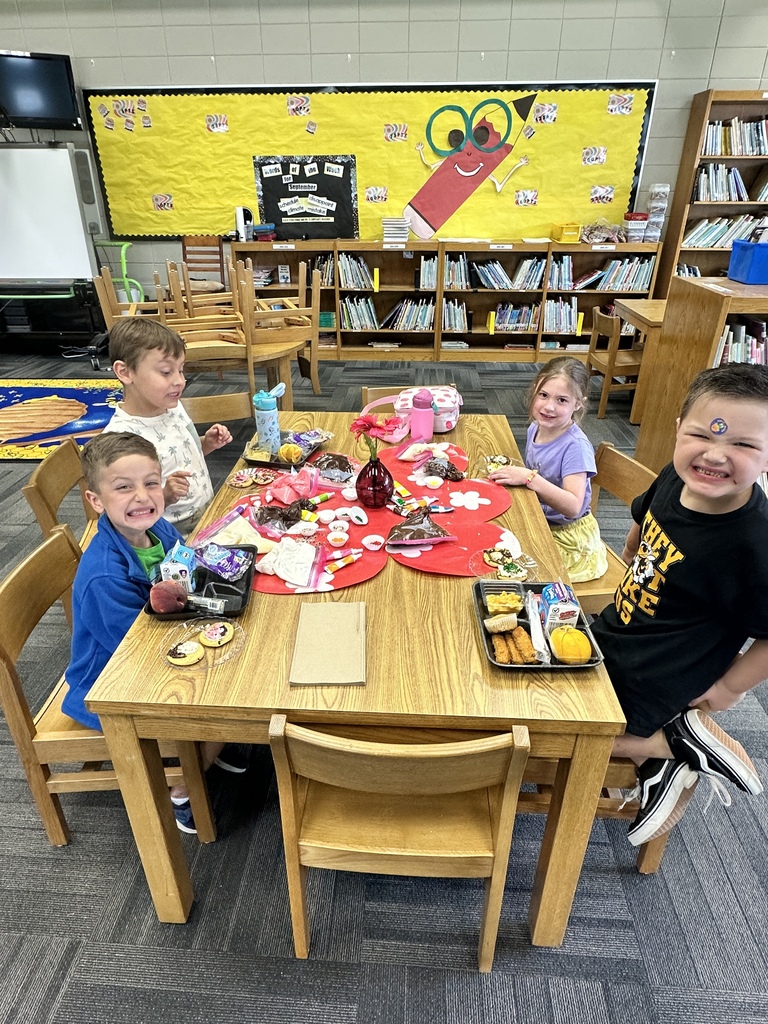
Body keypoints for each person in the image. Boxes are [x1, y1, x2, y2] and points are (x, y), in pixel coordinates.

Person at [590, 363, 768, 846]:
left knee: (567, 731)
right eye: (701, 435)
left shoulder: (754, 543)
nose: (714, 454)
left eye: (743, 444)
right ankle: (659, 765)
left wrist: (728, 688)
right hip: (622, 630)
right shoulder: (675, 476)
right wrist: (631, 549)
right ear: (677, 429)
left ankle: (670, 742)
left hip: (660, 673)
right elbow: (645, 517)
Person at [62, 432, 242, 834]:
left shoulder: (157, 528)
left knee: (240, 655)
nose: (142, 497)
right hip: (111, 681)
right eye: (124, 487)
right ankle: (183, 788)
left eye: (151, 483)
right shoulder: (105, 577)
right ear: (96, 500)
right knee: (229, 693)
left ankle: (216, 744)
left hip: (155, 638)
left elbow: (184, 568)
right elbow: (138, 651)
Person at [103, 317, 233, 536]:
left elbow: (178, 455)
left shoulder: (173, 407)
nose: (180, 381)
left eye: (180, 370)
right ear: (125, 372)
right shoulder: (121, 440)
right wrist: (164, 496)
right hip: (169, 535)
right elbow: (122, 511)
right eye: (165, 372)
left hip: (207, 515)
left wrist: (206, 443)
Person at [488, 356, 608, 582]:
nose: (549, 407)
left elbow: (573, 507)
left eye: (562, 400)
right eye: (543, 395)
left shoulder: (575, 447)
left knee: (506, 567)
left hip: (568, 538)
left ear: (578, 404)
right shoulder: (536, 427)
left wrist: (530, 478)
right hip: (541, 518)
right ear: (535, 390)